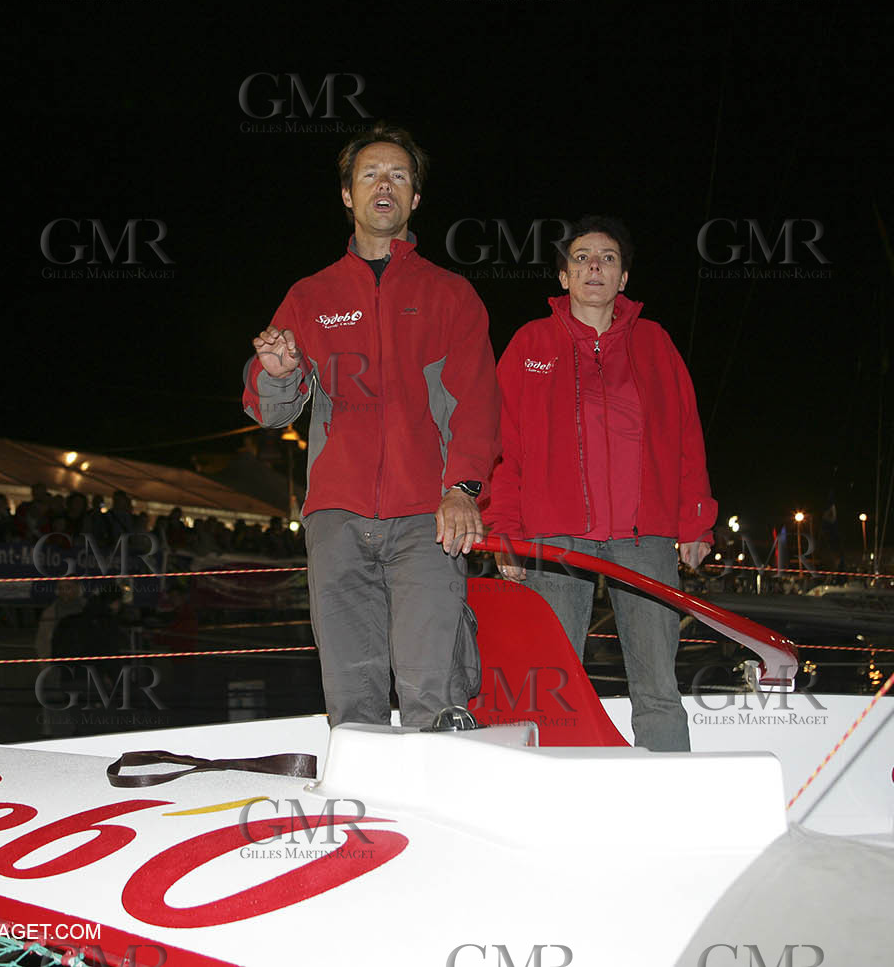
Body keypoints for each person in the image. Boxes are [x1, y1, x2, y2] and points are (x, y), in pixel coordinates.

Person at [243, 122, 500, 729]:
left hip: (428, 520)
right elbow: (270, 409)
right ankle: (365, 820)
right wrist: (277, 371)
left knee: (433, 694)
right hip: (336, 518)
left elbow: (479, 403)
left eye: (399, 176)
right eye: (369, 174)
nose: (383, 185)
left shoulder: (452, 295)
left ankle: (436, 814)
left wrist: (462, 488)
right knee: (352, 701)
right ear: (346, 195)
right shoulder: (309, 295)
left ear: (415, 200)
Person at [485, 215, 716, 752]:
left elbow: (686, 436)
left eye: (608, 258)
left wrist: (697, 521)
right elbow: (504, 444)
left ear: (624, 278)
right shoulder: (529, 344)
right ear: (564, 277)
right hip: (553, 535)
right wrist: (504, 529)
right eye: (582, 257)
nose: (595, 266)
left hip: (646, 537)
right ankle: (550, 796)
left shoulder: (656, 343)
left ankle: (668, 797)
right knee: (550, 682)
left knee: (658, 683)